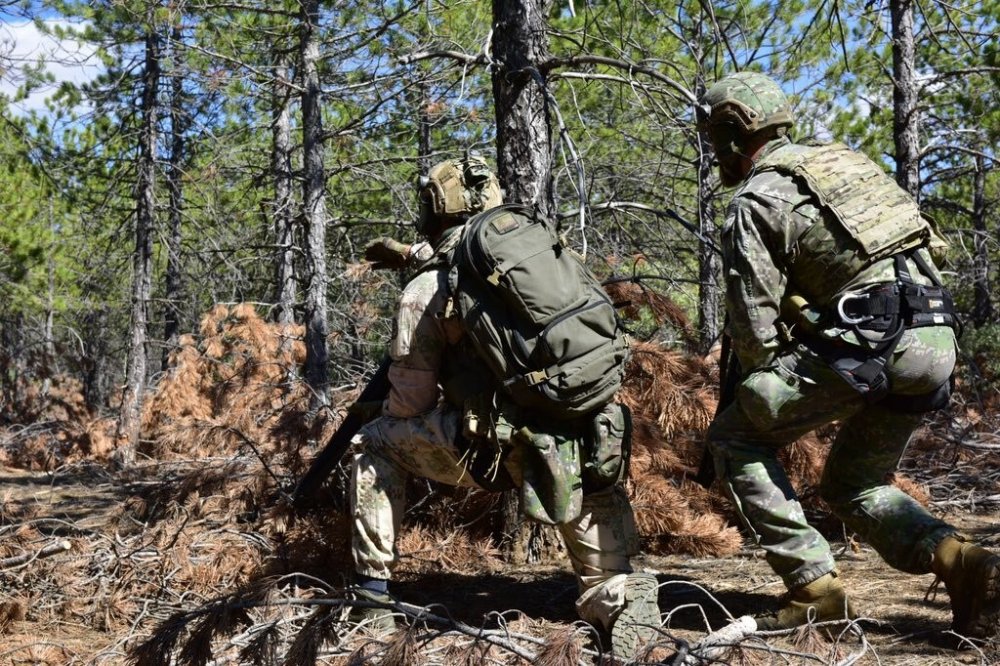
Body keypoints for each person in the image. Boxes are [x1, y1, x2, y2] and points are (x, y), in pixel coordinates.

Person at [697, 71, 1000, 639]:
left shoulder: (757, 197)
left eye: (717, 138)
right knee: (855, 483)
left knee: (736, 436)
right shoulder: (846, 167)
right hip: (935, 341)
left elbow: (751, 322)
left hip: (871, 344)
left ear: (733, 134)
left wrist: (763, 386)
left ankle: (814, 592)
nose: (717, 153)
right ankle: (965, 564)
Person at [348, 154, 661, 657]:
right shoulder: (547, 258)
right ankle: (619, 595)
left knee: (374, 443)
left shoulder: (425, 289)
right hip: (589, 435)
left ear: (431, 209)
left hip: (499, 452)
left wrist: (381, 411)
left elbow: (410, 405)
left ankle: (372, 595)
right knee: (607, 577)